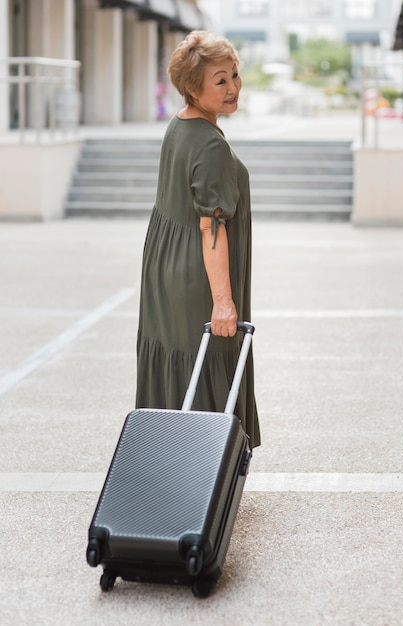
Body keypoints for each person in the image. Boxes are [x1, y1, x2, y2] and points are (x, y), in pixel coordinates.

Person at [135, 30, 260, 450]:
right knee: (203, 361)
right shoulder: (211, 147)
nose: (233, 88)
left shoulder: (180, 126)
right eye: (220, 80)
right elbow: (212, 227)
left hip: (165, 267)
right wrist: (223, 301)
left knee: (178, 358)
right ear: (193, 87)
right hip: (195, 275)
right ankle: (199, 467)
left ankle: (166, 459)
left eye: (235, 75)